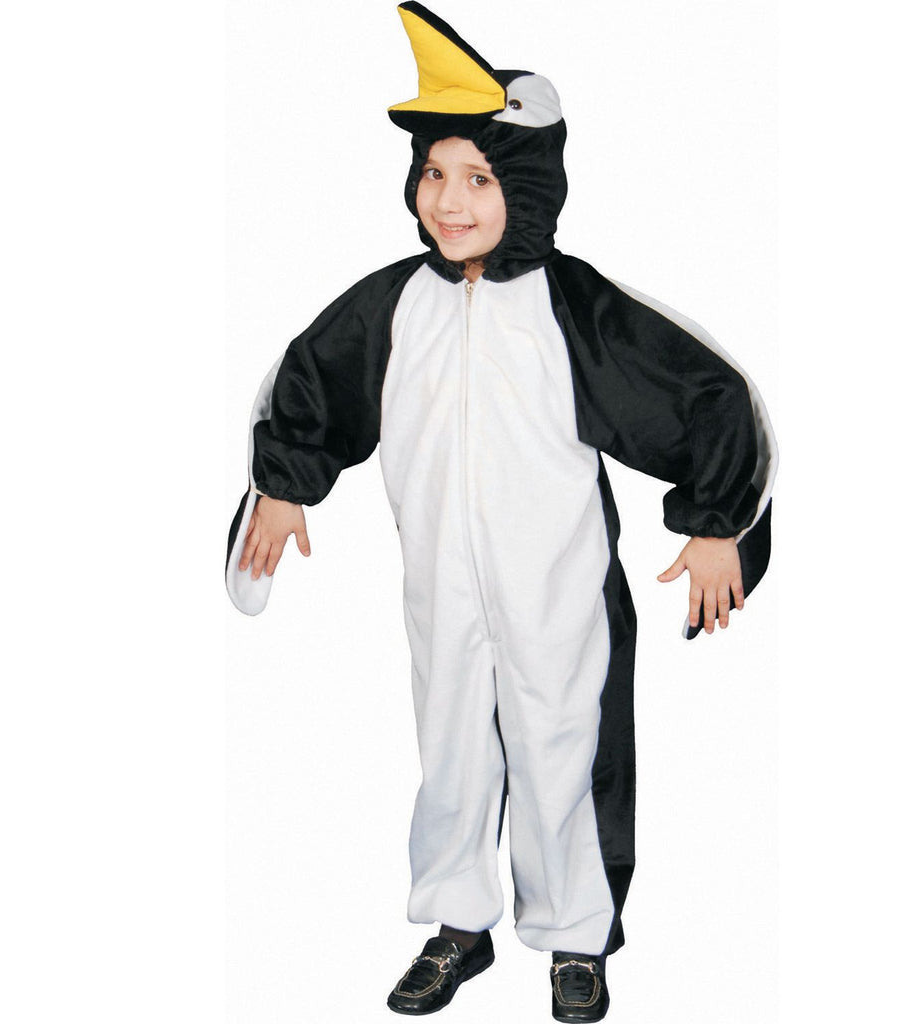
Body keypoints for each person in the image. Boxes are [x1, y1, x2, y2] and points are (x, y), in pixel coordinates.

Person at [225, 4, 776, 1021]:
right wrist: (285, 482)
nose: (449, 199)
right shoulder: (394, 305)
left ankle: (575, 935)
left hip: (558, 590)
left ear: (526, 183)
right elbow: (309, 384)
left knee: (564, 744)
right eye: (434, 173)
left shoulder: (575, 310)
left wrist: (715, 524)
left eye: (478, 177)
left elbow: (707, 394)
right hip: (441, 587)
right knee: (451, 751)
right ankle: (456, 921)